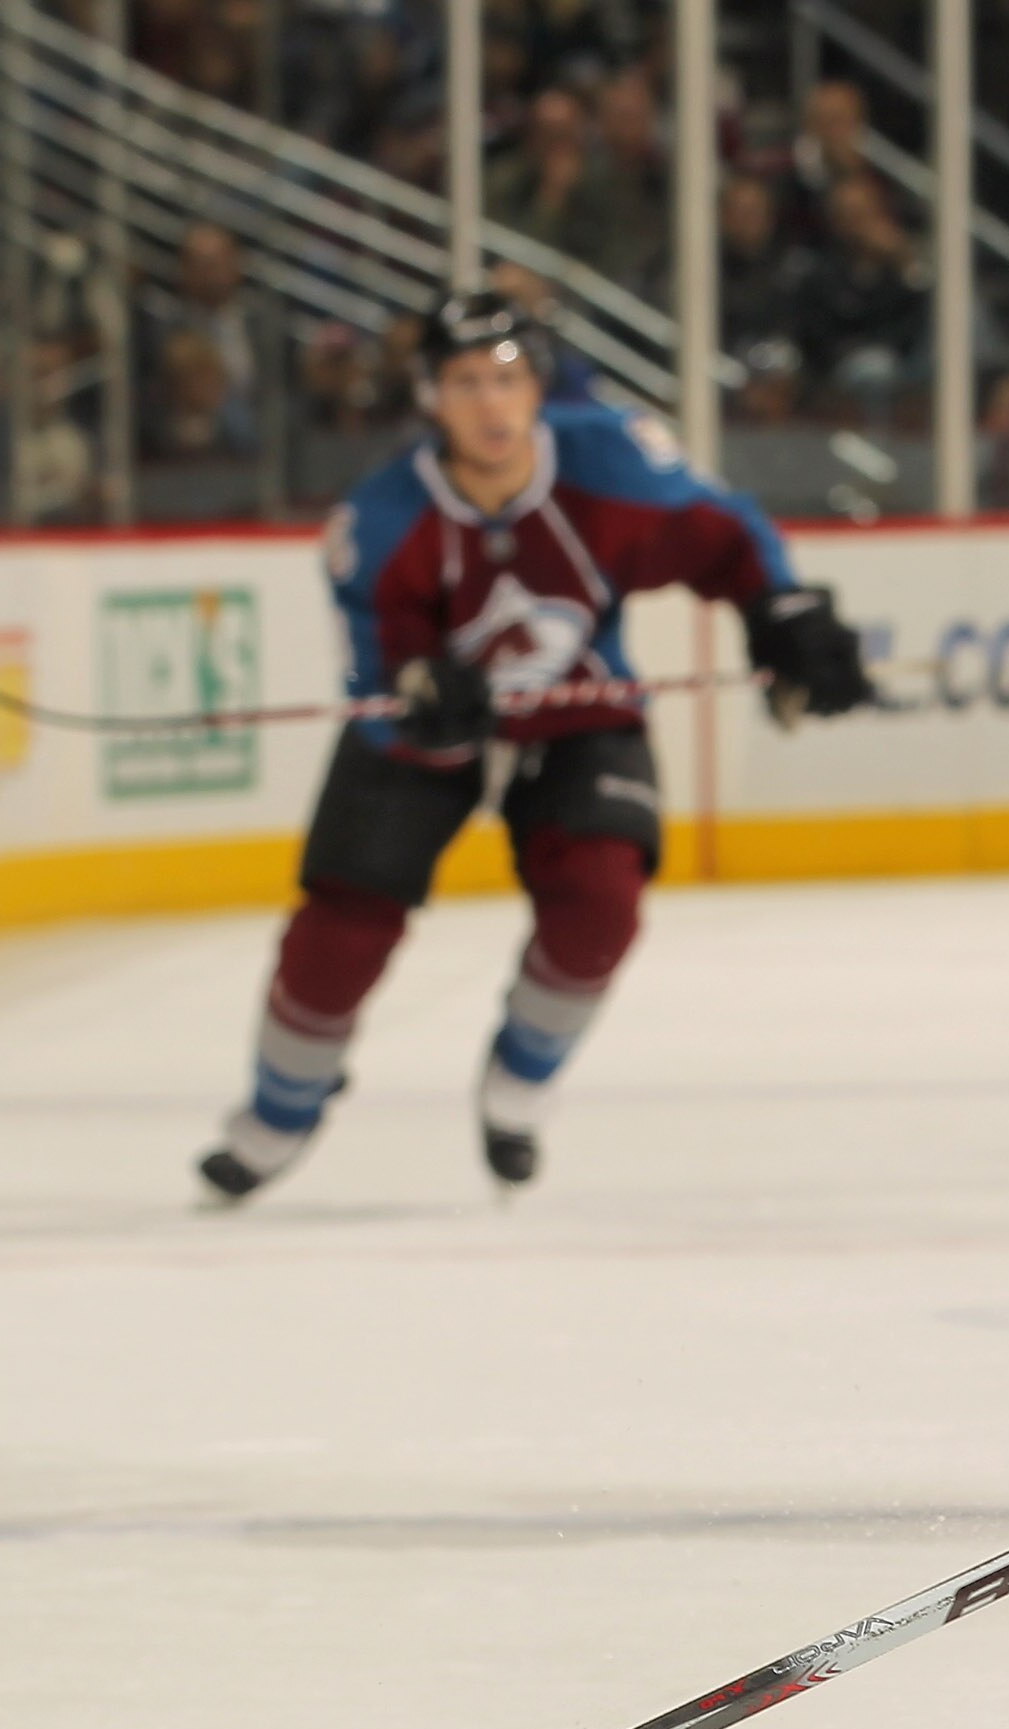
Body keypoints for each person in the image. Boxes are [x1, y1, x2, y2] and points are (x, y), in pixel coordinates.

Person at [196, 292, 876, 1203]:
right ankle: (281, 1108)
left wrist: (780, 610)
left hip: (579, 710)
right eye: (466, 382)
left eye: (509, 380)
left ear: (537, 390)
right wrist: (419, 698)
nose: (490, 405)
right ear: (431, 397)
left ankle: (522, 1075)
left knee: (602, 901)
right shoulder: (380, 524)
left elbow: (726, 534)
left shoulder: (609, 459)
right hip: (437, 732)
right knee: (339, 930)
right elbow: (379, 672)